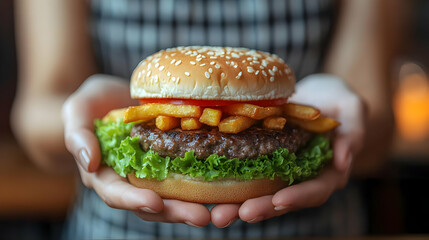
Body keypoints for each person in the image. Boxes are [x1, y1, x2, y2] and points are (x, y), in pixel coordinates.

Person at [12, 0, 404, 238]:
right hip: (118, 231)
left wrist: (352, 126)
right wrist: (82, 129)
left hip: (316, 229)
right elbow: (36, 109)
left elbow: (380, 122)